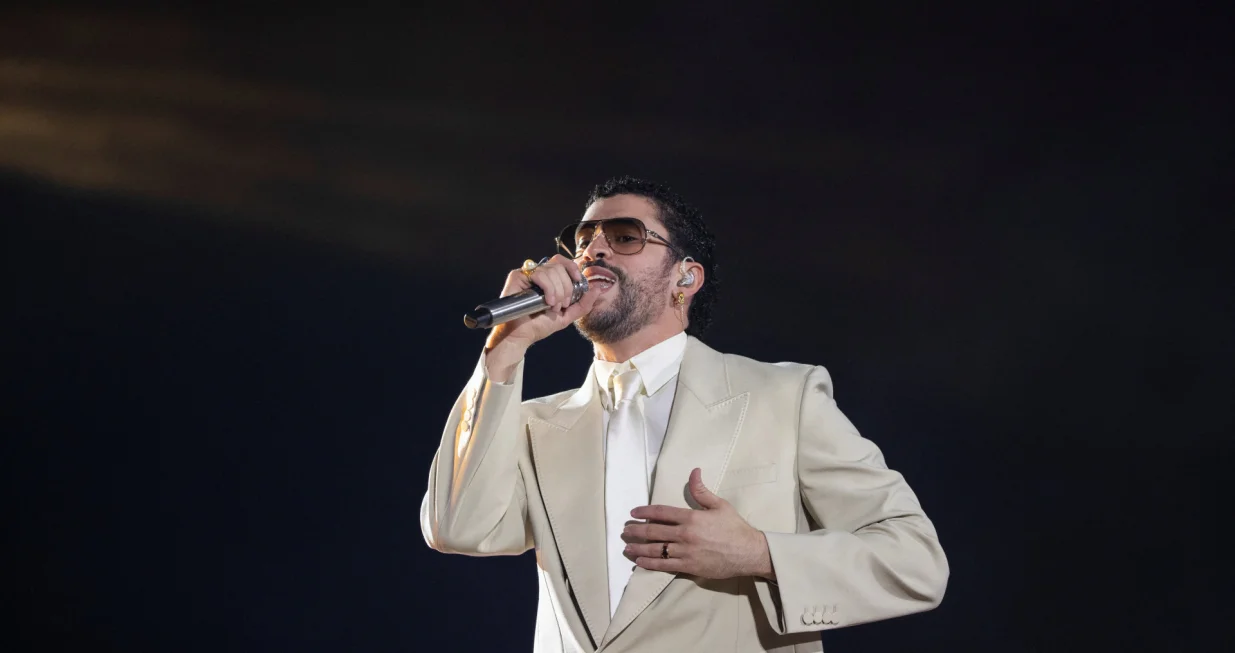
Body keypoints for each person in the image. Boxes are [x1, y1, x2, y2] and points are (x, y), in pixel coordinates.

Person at [420, 176, 948, 652]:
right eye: (581, 241)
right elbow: (457, 528)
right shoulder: (534, 423)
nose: (593, 250)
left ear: (685, 277)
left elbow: (915, 562)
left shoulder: (783, 395)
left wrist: (760, 553)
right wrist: (506, 351)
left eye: (624, 236)